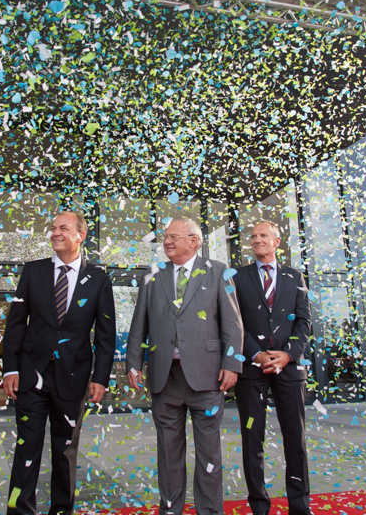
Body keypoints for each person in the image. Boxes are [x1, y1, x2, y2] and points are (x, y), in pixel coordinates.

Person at [125, 217, 243, 515]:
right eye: (165, 237)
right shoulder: (153, 275)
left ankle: (209, 511)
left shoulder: (218, 272)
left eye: (173, 237)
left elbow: (232, 323)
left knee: (208, 454)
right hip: (165, 378)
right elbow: (140, 322)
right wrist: (133, 363)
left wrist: (232, 364)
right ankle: (170, 510)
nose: (166, 242)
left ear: (194, 240)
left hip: (207, 377)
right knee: (169, 455)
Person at [1, 211, 117, 515]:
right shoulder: (33, 271)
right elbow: (15, 325)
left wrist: (100, 377)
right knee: (27, 447)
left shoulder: (99, 278)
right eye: (53, 228)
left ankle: (62, 510)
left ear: (80, 236)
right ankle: (19, 511)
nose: (55, 233)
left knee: (65, 450)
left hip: (74, 376)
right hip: (31, 375)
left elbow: (106, 335)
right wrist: (11, 368)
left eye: (63, 228)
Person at [234, 221, 313, 515]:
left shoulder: (295, 277)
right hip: (252, 370)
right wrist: (255, 354)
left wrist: (288, 355)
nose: (256, 240)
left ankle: (300, 505)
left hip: (289, 371)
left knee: (296, 438)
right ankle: (259, 506)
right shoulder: (238, 277)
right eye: (253, 236)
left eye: (263, 235)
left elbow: (304, 322)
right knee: (252, 439)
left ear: (277, 242)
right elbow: (233, 322)